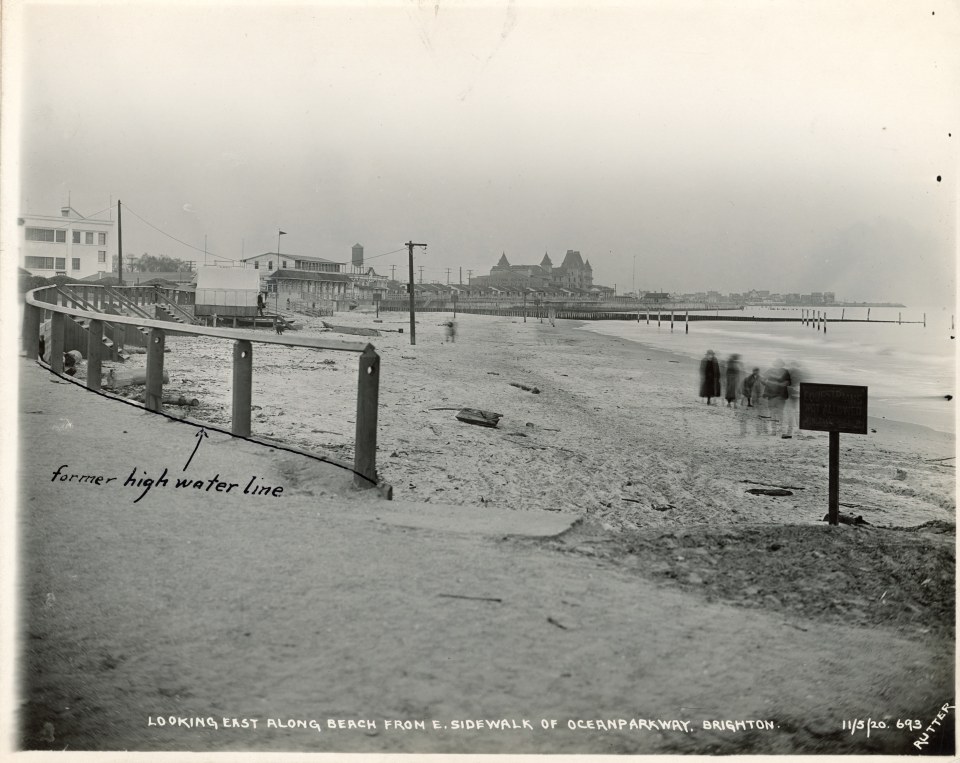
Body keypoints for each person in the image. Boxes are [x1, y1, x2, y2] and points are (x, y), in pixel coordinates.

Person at [762, 359, 791, 435]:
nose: (777, 365)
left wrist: (769, 384)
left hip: (774, 395)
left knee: (775, 412)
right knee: (778, 412)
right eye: (777, 364)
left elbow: (762, 380)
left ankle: (775, 430)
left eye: (778, 364)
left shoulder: (770, 371)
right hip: (779, 395)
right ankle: (777, 429)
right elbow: (788, 382)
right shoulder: (785, 371)